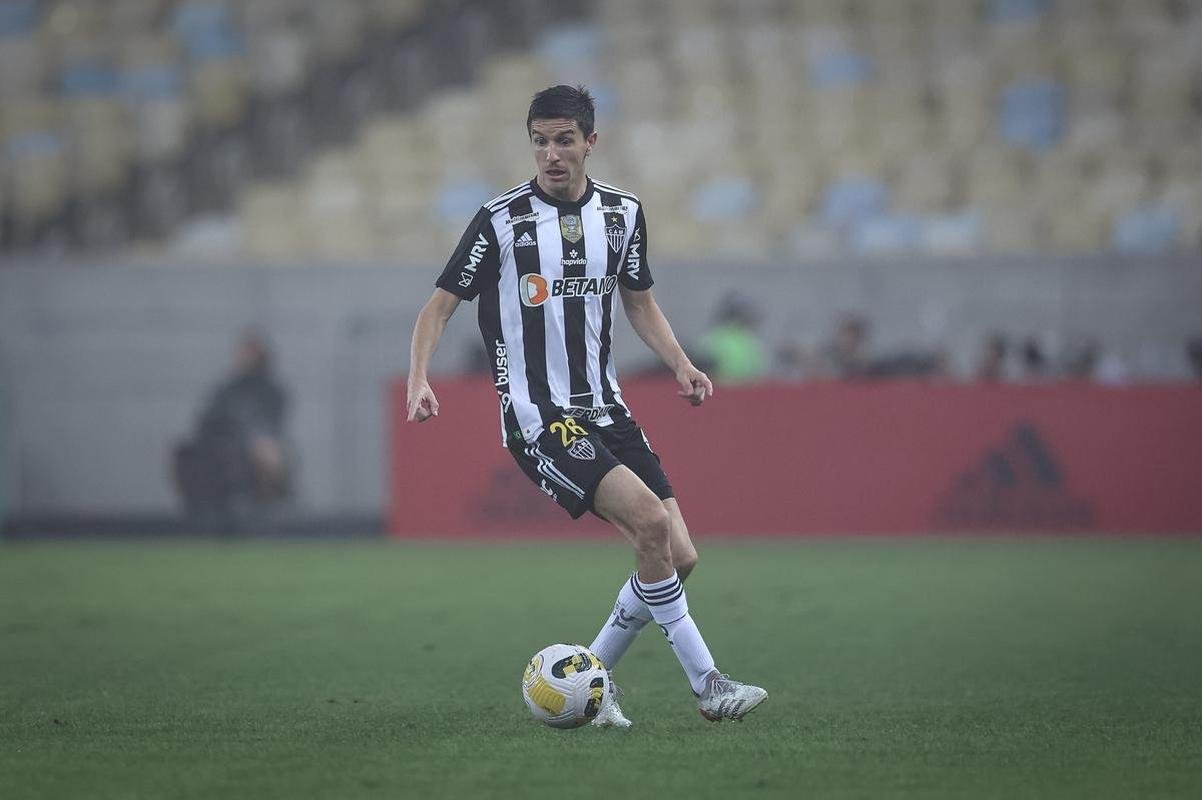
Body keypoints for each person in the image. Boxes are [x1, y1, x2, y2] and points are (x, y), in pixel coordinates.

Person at [405, 85, 766, 726]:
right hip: (539, 418)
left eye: (564, 140)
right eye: (540, 141)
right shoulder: (501, 220)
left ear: (589, 142)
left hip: (607, 409)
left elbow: (639, 302)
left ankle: (589, 677)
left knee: (677, 556)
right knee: (651, 526)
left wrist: (681, 364)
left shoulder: (623, 214)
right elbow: (438, 308)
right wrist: (419, 378)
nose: (551, 154)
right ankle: (709, 684)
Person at [173, 331, 291, 531]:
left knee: (268, 454)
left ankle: (264, 513)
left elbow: (270, 422)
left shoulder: (271, 389)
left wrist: (254, 438)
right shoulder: (228, 388)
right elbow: (209, 417)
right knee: (181, 452)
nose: (243, 356)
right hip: (222, 442)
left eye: (249, 352)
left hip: (256, 442)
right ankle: (196, 514)